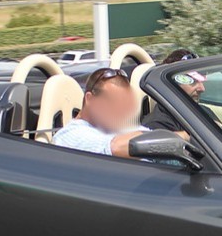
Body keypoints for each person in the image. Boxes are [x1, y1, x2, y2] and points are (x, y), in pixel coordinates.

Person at [52, 67, 203, 166]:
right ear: (90, 99)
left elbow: (152, 138)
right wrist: (188, 136)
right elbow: (116, 147)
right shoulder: (69, 135)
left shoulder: (123, 127)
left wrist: (195, 137)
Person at [142, 49, 222, 132]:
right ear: (171, 84)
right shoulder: (157, 125)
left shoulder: (204, 111)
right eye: (193, 81)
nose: (202, 89)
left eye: (201, 81)